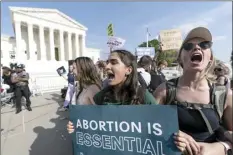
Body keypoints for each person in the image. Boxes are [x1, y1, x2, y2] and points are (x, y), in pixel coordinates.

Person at [153, 27, 232, 155]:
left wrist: (220, 147)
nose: (196, 48)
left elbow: (230, 135)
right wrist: (172, 134)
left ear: (210, 57)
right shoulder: (164, 91)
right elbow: (147, 129)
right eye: (188, 46)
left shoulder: (224, 95)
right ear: (180, 59)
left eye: (204, 44)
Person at [67, 49, 158, 133]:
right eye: (107, 62)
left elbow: (162, 124)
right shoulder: (102, 96)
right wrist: (77, 126)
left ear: (128, 70)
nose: (107, 66)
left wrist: (172, 137)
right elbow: (93, 124)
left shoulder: (143, 95)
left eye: (113, 62)